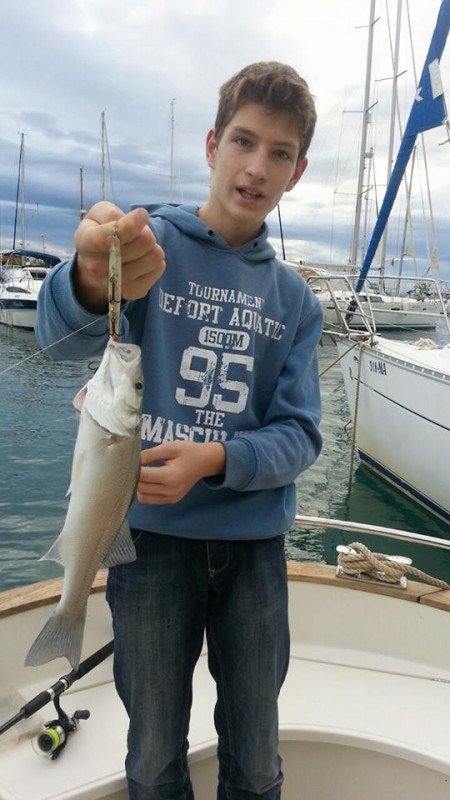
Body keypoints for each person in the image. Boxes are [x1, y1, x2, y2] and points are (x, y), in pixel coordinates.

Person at [36, 61, 323, 800]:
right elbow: (58, 341)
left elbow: (300, 436)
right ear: (212, 144)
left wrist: (217, 458)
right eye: (243, 141)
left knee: (256, 759)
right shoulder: (150, 245)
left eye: (280, 153)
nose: (256, 168)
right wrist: (89, 279)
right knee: (154, 754)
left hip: (254, 552)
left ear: (297, 172)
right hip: (148, 547)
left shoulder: (296, 300)